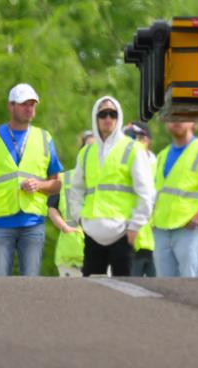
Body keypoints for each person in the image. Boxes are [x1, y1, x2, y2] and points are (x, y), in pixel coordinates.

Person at [0, 83, 64, 276]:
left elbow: (57, 184)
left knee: (30, 282)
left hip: (33, 223)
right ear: (11, 106)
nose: (29, 108)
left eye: (32, 104)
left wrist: (40, 185)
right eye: (24, 104)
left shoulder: (44, 138)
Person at [68, 96, 154, 277]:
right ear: (95, 117)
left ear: (119, 117)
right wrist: (80, 218)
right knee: (93, 293)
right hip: (92, 233)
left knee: (125, 292)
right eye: (103, 114)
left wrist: (135, 226)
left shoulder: (133, 149)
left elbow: (146, 192)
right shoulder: (86, 152)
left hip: (122, 233)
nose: (108, 119)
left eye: (113, 114)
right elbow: (75, 189)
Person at [151, 119, 198, 277]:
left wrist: (197, 218)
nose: (177, 120)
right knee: (164, 290)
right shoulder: (162, 155)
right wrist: (153, 222)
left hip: (190, 230)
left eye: (183, 115)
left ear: (193, 122)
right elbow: (158, 193)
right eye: (172, 116)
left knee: (191, 284)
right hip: (161, 230)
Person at [51, 134, 92, 276]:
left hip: (101, 254)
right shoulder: (64, 178)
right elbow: (52, 208)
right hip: (69, 254)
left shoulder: (109, 180)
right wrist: (64, 227)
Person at [126, 123, 157, 277]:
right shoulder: (122, 165)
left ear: (148, 140)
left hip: (155, 241)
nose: (134, 142)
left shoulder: (158, 164)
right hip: (129, 240)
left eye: (139, 137)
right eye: (130, 137)